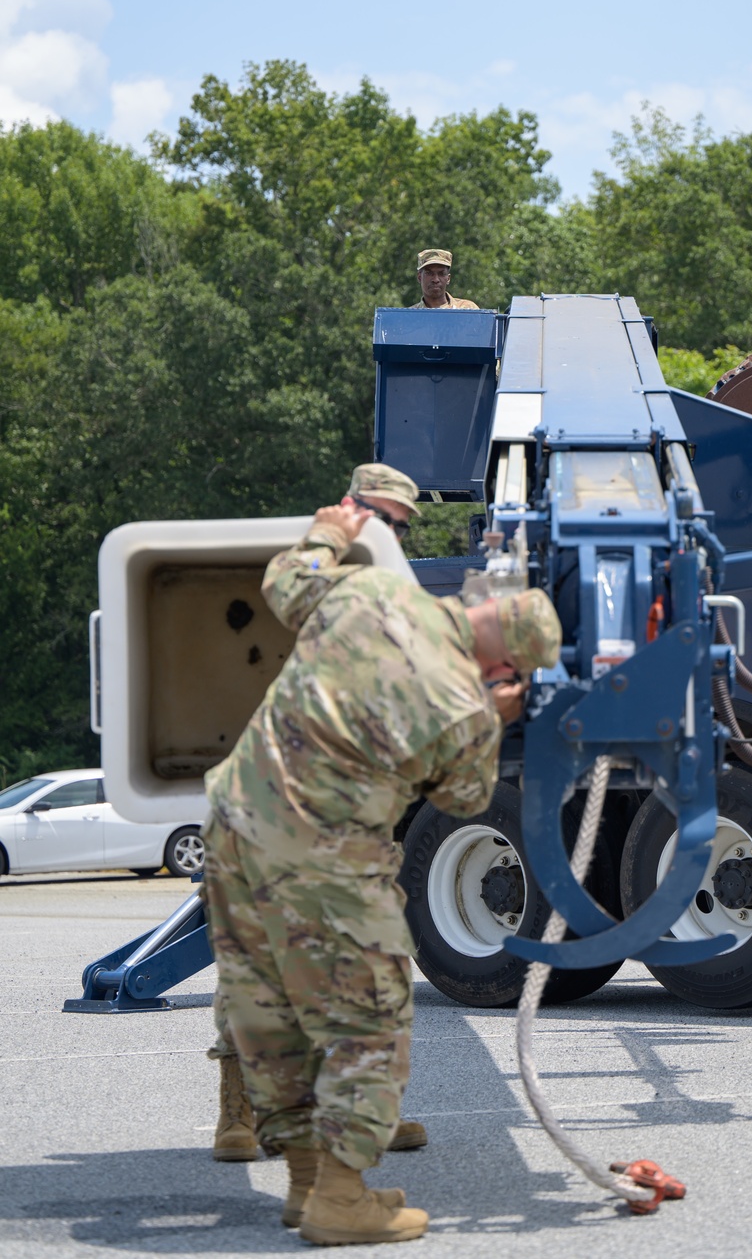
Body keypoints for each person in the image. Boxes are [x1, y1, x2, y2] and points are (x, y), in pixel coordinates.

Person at [202, 489, 562, 1246]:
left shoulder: (371, 589)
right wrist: (496, 718)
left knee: (267, 1007)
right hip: (325, 859)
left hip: (235, 823)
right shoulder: (465, 704)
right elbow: (464, 797)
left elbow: (285, 586)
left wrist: (326, 534)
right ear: (503, 661)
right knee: (370, 1019)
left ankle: (305, 1183)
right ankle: (339, 1198)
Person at [210, 464, 425, 1165]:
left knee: (360, 959)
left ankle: (363, 1110)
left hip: (352, 796)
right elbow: (288, 591)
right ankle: (236, 1109)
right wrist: (327, 537)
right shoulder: (316, 558)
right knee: (256, 953)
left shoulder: (384, 583)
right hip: (276, 791)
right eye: (376, 514)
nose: (388, 531)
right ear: (347, 506)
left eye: (399, 523)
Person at [409, 248, 479, 309]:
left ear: (448, 278)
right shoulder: (410, 315)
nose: (436, 279)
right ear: (419, 277)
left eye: (441, 274)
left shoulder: (467, 309)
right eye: (429, 273)